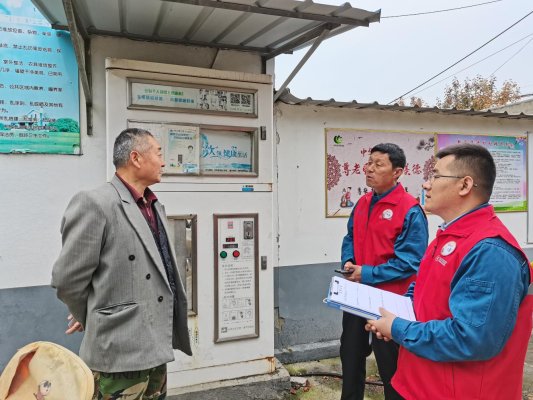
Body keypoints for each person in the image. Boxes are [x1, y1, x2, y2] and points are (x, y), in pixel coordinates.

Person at [367, 144, 533, 400]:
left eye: (435, 175)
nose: (426, 184)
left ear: (465, 185)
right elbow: (424, 288)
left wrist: (399, 328)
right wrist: (395, 317)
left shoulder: (491, 252)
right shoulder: (448, 235)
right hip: (418, 384)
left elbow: (472, 338)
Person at [52, 128, 192, 400]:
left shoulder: (153, 206)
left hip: (155, 348)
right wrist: (92, 314)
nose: (164, 162)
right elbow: (67, 280)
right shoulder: (96, 203)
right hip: (118, 353)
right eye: (159, 153)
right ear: (136, 158)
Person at [340, 143, 428, 400]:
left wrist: (366, 273)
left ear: (397, 172)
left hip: (389, 301)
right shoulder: (362, 202)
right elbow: (350, 236)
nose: (369, 169)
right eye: (369, 162)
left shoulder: (410, 210)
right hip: (357, 295)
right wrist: (348, 260)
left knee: (391, 365)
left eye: (378, 164)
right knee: (350, 354)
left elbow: (410, 262)